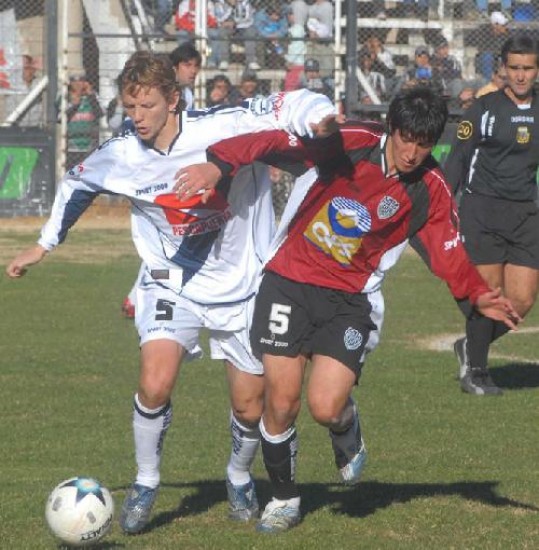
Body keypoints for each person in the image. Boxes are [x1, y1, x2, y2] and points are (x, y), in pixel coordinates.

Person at [6, 51, 336, 534]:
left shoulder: (220, 127)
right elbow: (77, 183)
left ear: (174, 100)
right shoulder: (121, 153)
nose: (137, 118)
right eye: (130, 107)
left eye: (148, 107)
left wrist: (320, 115)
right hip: (169, 282)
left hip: (240, 286)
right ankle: (145, 481)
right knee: (154, 382)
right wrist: (44, 244)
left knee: (249, 405)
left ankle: (239, 475)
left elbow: (288, 105)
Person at [175, 86, 520, 533]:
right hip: (289, 284)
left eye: (424, 142)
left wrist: (476, 293)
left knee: (324, 406)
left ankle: (345, 425)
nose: (413, 152)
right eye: (405, 138)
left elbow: (449, 251)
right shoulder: (351, 141)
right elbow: (273, 141)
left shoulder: (430, 189)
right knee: (280, 402)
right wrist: (218, 164)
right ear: (391, 128)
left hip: (348, 300)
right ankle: (283, 497)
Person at [444, 34, 539, 395]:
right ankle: (477, 373)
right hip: (482, 210)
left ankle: (471, 347)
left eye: (528, 68)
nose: (520, 75)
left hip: (526, 213)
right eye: (514, 68)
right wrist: (445, 209)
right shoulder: (482, 110)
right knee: (490, 295)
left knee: (522, 300)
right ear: (502, 68)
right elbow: (456, 161)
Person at [122, 42, 202, 319]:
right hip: (155, 177)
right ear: (174, 67)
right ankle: (142, 297)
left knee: (170, 245)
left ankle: (138, 297)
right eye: (187, 65)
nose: (193, 71)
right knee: (162, 242)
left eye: (196, 66)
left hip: (177, 176)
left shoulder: (186, 96)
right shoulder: (149, 96)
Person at [63, 73, 104, 169]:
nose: (78, 84)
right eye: (74, 81)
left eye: (81, 81)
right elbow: (60, 117)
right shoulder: (65, 97)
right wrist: (74, 105)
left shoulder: (92, 96)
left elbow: (100, 113)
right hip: (70, 144)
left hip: (88, 144)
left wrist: (91, 95)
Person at [212, 0, 260, 71]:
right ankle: (224, 61)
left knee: (251, 32)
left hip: (244, 26)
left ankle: (251, 61)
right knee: (223, 32)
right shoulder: (219, 4)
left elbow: (248, 17)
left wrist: (235, 22)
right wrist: (231, 7)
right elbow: (220, 18)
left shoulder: (245, 3)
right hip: (228, 27)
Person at [465, 11, 511, 82]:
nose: (505, 27)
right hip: (484, 59)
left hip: (498, 57)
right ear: (495, 25)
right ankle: (488, 82)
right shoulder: (483, 31)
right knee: (487, 56)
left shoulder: (506, 35)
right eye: (503, 25)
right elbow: (482, 48)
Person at [5, 54, 43, 127]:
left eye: (27, 67)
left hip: (35, 130)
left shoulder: (40, 82)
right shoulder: (11, 83)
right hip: (14, 129)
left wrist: (41, 67)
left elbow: (60, 87)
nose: (22, 70)